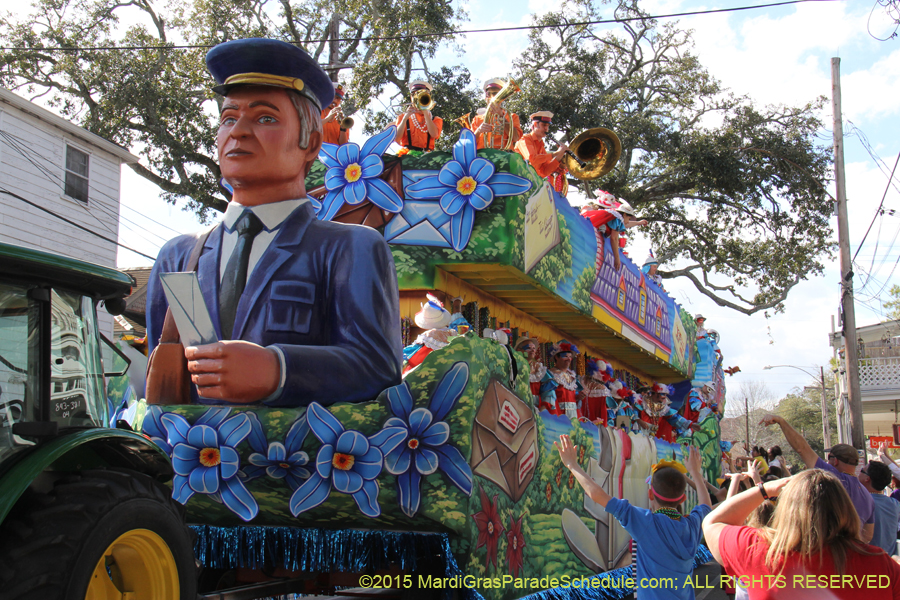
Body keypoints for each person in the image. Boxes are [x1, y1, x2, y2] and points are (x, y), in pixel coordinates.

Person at [147, 38, 402, 408]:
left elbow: (378, 370)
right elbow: (162, 376)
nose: (238, 131)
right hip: (194, 461)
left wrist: (278, 370)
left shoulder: (350, 248)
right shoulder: (179, 256)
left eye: (265, 118)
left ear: (312, 143)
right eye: (228, 118)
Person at [704, 469, 900, 599]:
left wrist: (765, 490)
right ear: (845, 508)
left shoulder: (758, 551)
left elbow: (712, 523)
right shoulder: (880, 563)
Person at [557, 436, 712, 600]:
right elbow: (706, 506)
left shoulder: (646, 522)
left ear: (650, 494)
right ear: (682, 499)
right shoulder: (693, 526)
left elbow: (597, 495)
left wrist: (571, 465)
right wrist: (695, 472)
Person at [760, 414, 875, 542]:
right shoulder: (868, 496)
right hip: (852, 553)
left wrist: (781, 421)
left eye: (829, 458)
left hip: (829, 551)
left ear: (835, 461)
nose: (826, 461)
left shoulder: (833, 477)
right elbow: (867, 536)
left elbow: (801, 448)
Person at [860, 460, 900, 556]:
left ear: (867, 478)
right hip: (888, 561)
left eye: (862, 470)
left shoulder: (861, 502)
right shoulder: (895, 504)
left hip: (868, 560)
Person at [470, 78, 522, 151]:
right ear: (485, 98)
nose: (493, 97)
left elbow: (516, 138)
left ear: (502, 98)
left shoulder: (512, 117)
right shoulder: (477, 119)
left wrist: (501, 117)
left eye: (496, 94)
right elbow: (469, 144)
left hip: (505, 157)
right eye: (489, 94)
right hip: (483, 159)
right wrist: (478, 131)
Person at [514, 111, 569, 179]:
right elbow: (532, 159)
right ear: (535, 124)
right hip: (519, 180)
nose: (546, 128)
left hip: (532, 182)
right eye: (544, 125)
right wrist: (556, 153)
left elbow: (544, 171)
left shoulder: (541, 145)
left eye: (548, 126)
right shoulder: (525, 139)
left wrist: (559, 156)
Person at [394, 80, 442, 153]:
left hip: (427, 157)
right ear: (411, 97)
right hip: (407, 157)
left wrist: (425, 112)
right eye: (415, 95)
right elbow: (396, 138)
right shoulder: (402, 117)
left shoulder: (435, 119)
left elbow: (434, 134)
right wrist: (405, 118)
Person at [539, 341, 582, 420]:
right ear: (556, 357)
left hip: (574, 417)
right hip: (558, 416)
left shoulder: (572, 377)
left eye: (570, 356)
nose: (568, 359)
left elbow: (574, 398)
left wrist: (579, 397)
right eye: (565, 356)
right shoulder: (550, 375)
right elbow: (547, 398)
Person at [515, 337, 547, 407]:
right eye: (528, 348)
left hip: (536, 408)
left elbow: (546, 391)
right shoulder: (514, 367)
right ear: (519, 350)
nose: (532, 350)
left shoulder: (539, 369)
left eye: (534, 348)